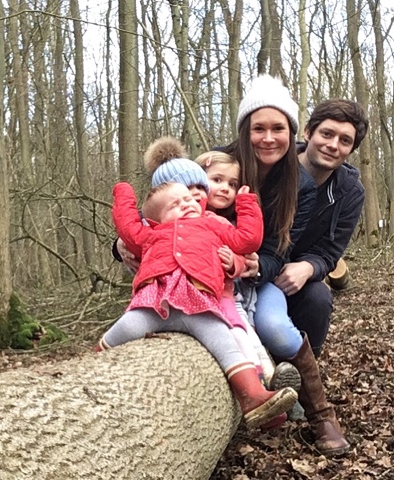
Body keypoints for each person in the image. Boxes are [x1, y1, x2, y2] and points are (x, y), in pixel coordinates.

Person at [218, 76, 359, 457]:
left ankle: (320, 414)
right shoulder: (220, 164)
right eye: (258, 128)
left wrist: (257, 267)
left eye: (278, 128)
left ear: (291, 132)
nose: (268, 138)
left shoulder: (301, 185)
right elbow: (171, 204)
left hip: (259, 276)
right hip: (209, 277)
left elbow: (281, 248)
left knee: (278, 327)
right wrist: (123, 244)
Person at [99, 179, 298, 428]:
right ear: (155, 220)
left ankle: (253, 396)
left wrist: (246, 204)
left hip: (200, 304)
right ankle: (92, 364)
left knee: (227, 345)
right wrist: (123, 193)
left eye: (188, 199)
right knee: (126, 327)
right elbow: (127, 226)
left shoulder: (213, 226)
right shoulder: (149, 235)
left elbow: (248, 240)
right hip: (155, 303)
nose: (185, 205)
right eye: (174, 205)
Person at [274, 99, 368, 358]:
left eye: (345, 141)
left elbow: (330, 251)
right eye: (327, 134)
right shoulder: (275, 163)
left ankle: (303, 372)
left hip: (294, 276)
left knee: (318, 298)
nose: (333, 145)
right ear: (308, 132)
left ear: (350, 150)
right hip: (254, 264)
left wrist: (308, 267)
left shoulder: (350, 192)